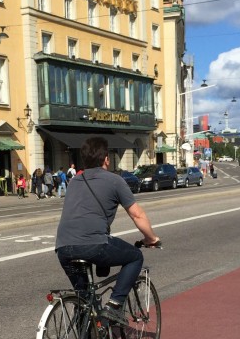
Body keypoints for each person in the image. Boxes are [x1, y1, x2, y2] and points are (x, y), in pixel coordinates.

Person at [55, 136, 161, 324]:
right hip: (93, 244)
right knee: (135, 256)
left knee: (84, 299)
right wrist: (151, 238)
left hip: (63, 247)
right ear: (106, 159)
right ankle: (114, 305)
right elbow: (137, 215)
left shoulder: (74, 182)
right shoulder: (114, 180)